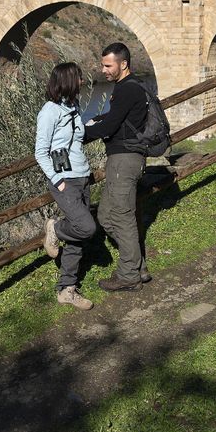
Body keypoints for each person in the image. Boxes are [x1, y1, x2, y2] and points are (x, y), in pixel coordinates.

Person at [83, 42, 154, 291]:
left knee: (121, 218)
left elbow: (108, 128)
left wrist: (80, 131)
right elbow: (116, 119)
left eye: (107, 65)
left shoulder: (126, 90)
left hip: (124, 161)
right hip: (125, 159)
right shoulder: (131, 87)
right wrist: (97, 121)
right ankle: (137, 265)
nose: (103, 70)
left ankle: (128, 276)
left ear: (123, 64)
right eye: (102, 65)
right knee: (106, 216)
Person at [35, 62, 96, 311]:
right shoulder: (49, 111)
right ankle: (55, 228)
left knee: (78, 238)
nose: (82, 82)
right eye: (79, 78)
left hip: (82, 177)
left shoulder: (73, 106)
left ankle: (66, 290)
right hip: (64, 181)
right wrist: (57, 181)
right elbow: (40, 151)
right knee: (87, 227)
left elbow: (77, 137)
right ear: (69, 80)